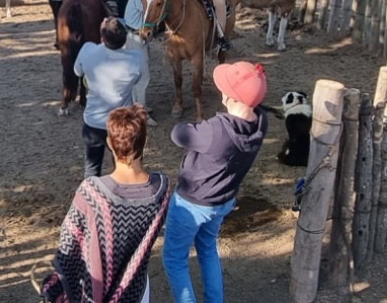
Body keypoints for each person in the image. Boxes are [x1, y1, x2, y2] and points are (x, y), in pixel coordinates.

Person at [161, 61, 268, 303]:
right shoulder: (260, 123)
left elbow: (177, 134)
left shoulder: (216, 130)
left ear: (230, 98)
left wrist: (196, 126)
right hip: (223, 200)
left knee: (174, 260)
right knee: (207, 249)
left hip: (192, 202)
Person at [41, 105, 169, 303]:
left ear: (109, 142)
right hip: (137, 290)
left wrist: (57, 287)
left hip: (95, 292)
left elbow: (68, 245)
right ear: (145, 141)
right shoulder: (161, 187)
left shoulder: (92, 191)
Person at [73, 18, 144, 177]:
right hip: (121, 125)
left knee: (91, 169)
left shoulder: (87, 50)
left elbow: (77, 72)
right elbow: (137, 80)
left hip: (93, 122)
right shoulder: (135, 59)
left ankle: (91, 198)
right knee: (125, 168)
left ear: (102, 38)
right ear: (125, 39)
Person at [122, 0, 156, 125]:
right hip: (136, 38)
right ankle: (141, 113)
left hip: (135, 36)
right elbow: (152, 11)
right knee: (143, 77)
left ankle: (138, 106)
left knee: (137, 75)